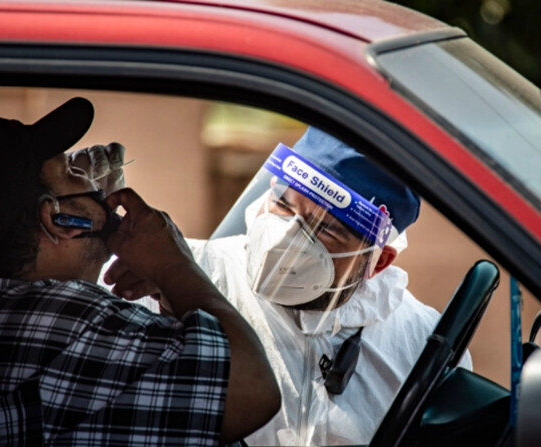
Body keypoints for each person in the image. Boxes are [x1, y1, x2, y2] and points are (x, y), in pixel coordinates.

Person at [0, 97, 280, 446]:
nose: (93, 183)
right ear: (57, 219)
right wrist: (172, 263)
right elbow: (252, 389)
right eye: (71, 172)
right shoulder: (69, 319)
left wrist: (171, 294)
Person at [104, 127, 472, 446]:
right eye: (282, 204)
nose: (287, 238)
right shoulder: (179, 279)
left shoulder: (421, 342)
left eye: (327, 229)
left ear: (379, 262)